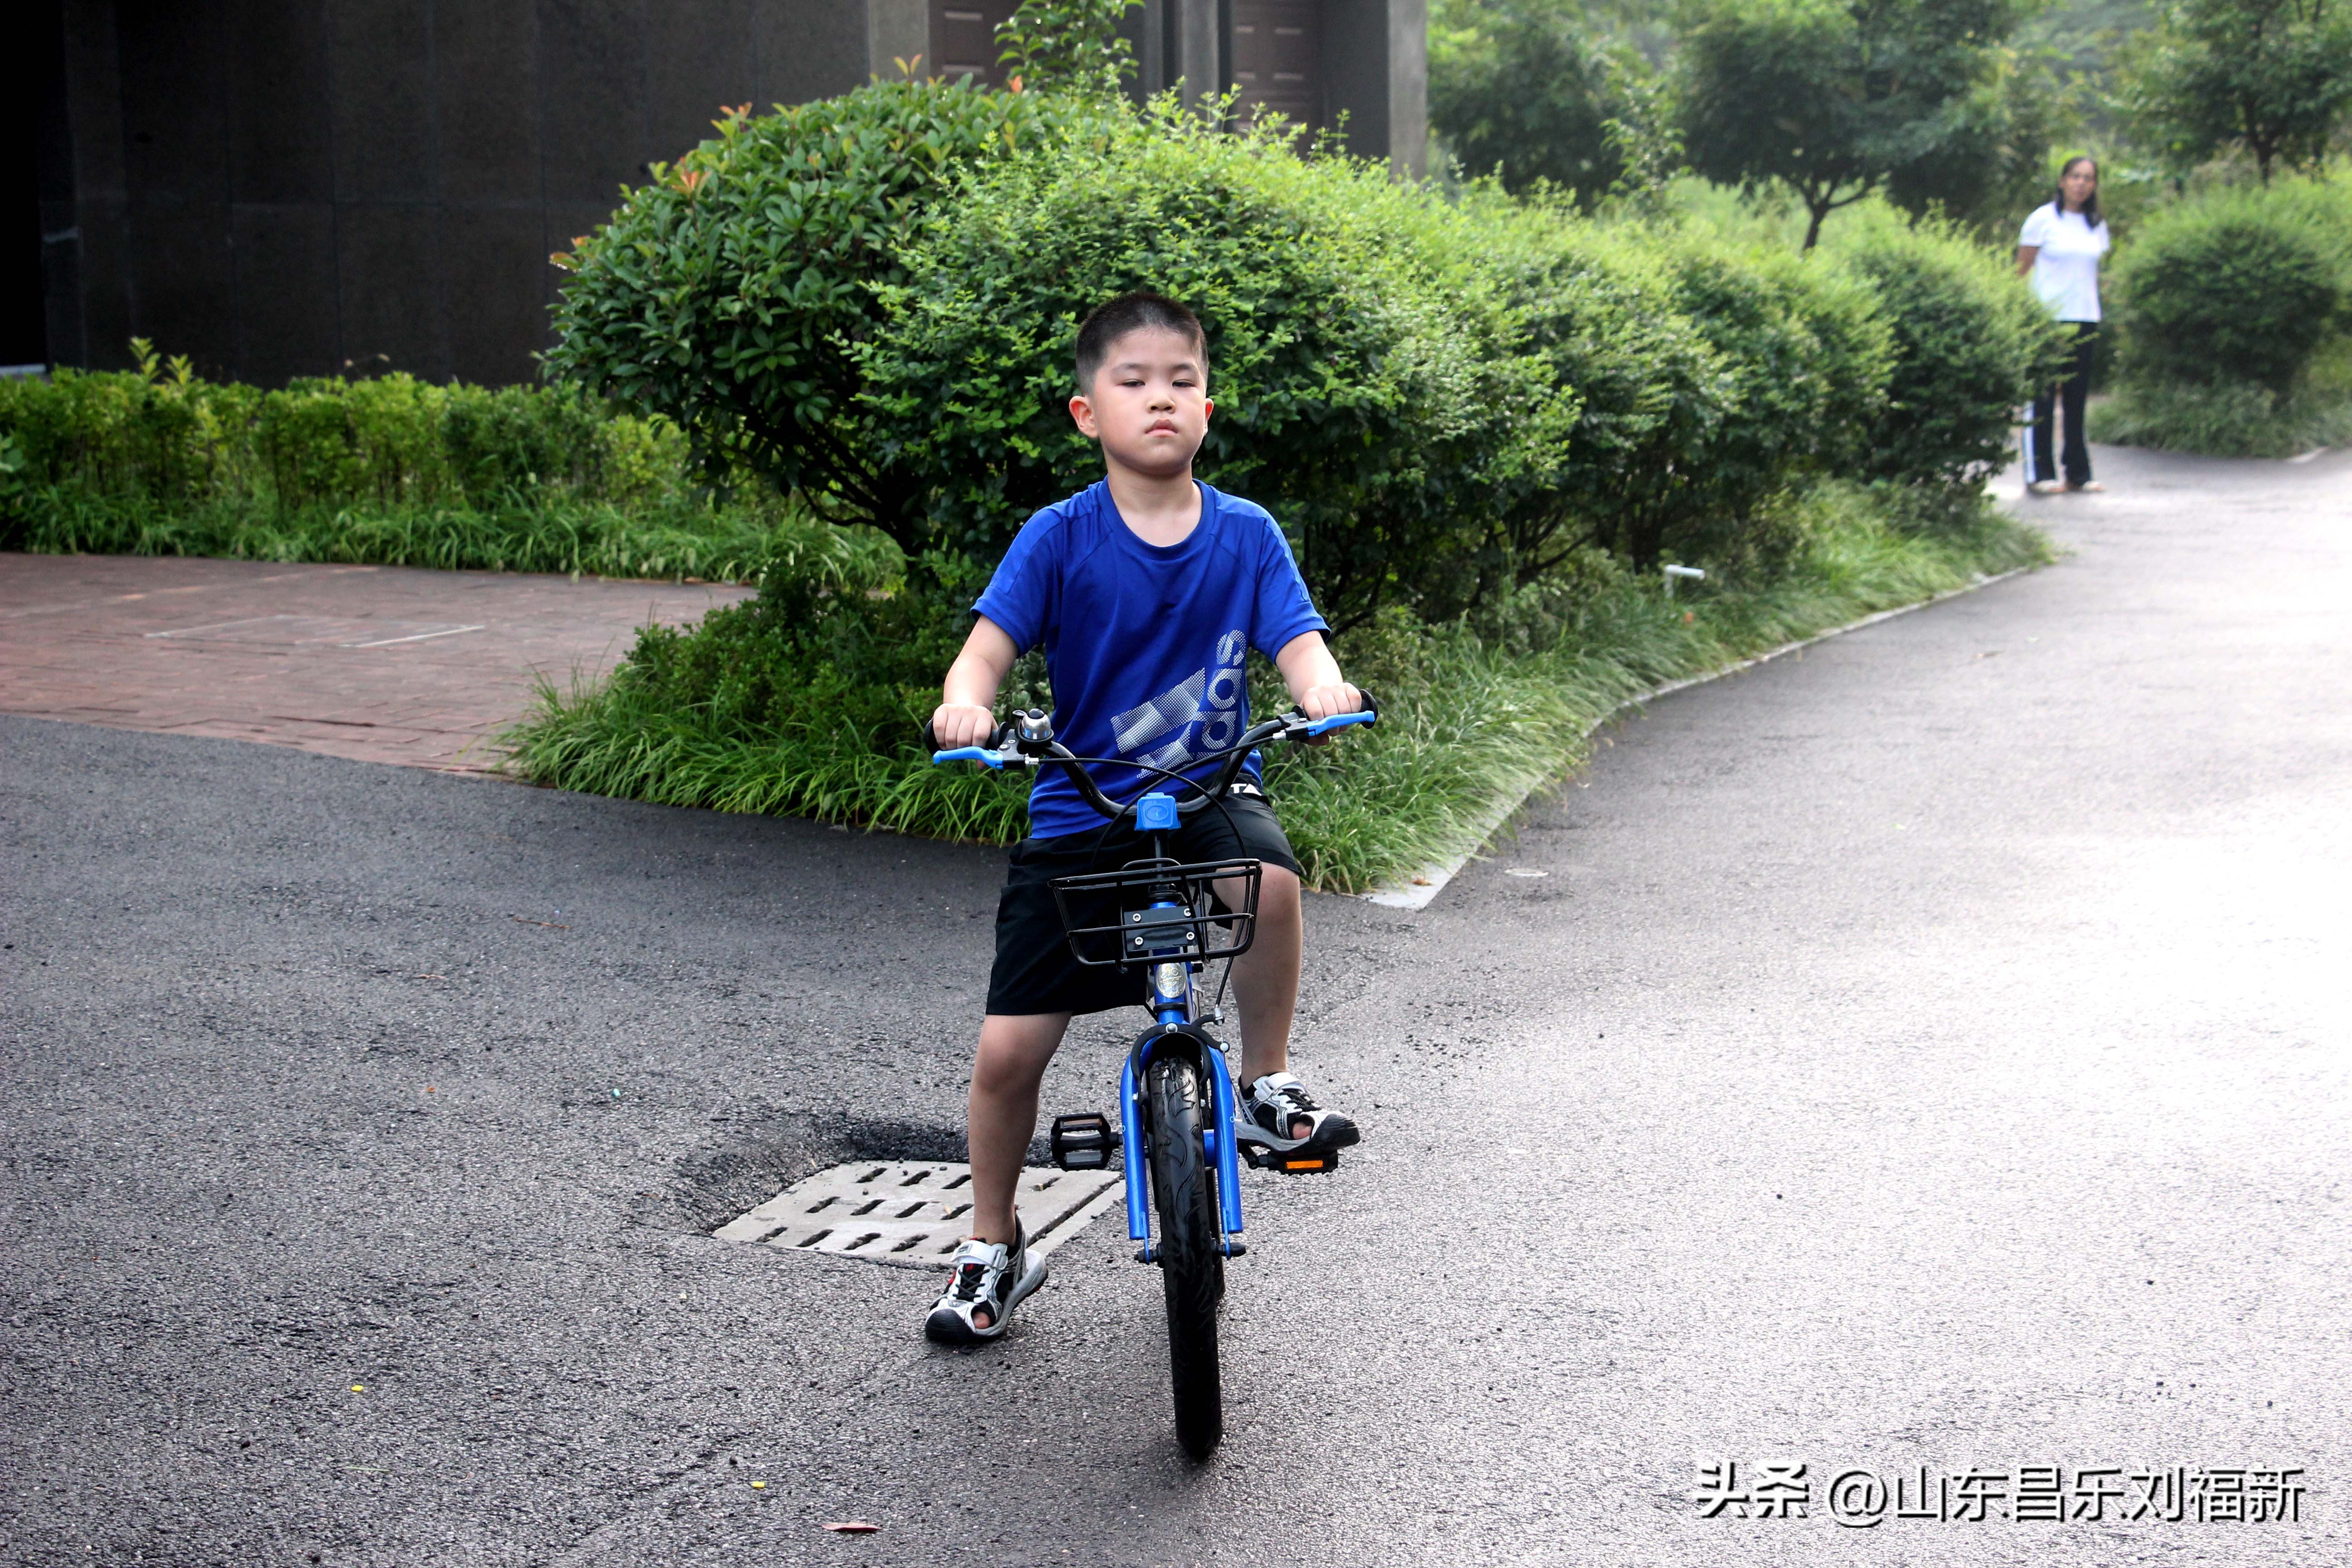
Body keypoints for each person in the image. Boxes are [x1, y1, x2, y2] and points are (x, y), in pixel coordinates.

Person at [922, 290, 1365, 1344]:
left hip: (1210, 784)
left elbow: (1298, 642)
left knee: (1268, 882)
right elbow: (986, 647)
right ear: (1088, 413)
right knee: (1004, 1052)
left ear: (1207, 407)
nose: (1158, 399)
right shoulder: (1059, 536)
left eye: (1180, 381)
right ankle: (992, 1241)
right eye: (1133, 382)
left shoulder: (1246, 535)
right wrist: (967, 700)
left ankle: (1264, 1080)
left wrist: (1321, 688)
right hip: (1081, 797)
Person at [2016, 156, 2112, 495]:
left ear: (2095, 185)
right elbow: (2021, 269)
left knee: (2076, 397)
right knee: (2041, 395)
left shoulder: (2096, 224)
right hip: (2047, 318)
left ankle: (2078, 473)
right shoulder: (2042, 220)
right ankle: (2040, 473)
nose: (2081, 184)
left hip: (2084, 318)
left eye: (2088, 178)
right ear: (2062, 181)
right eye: (2075, 177)